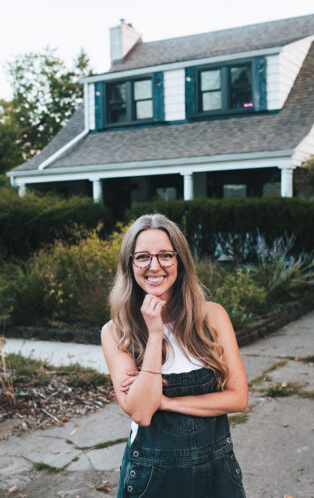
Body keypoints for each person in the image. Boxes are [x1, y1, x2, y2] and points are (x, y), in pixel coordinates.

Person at [101, 213, 248, 498]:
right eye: (142, 257)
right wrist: (155, 334)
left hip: (217, 470)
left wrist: (166, 402)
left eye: (165, 255)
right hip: (152, 475)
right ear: (129, 265)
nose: (154, 266)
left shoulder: (213, 317)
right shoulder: (116, 332)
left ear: (180, 262)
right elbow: (143, 413)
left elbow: (238, 398)